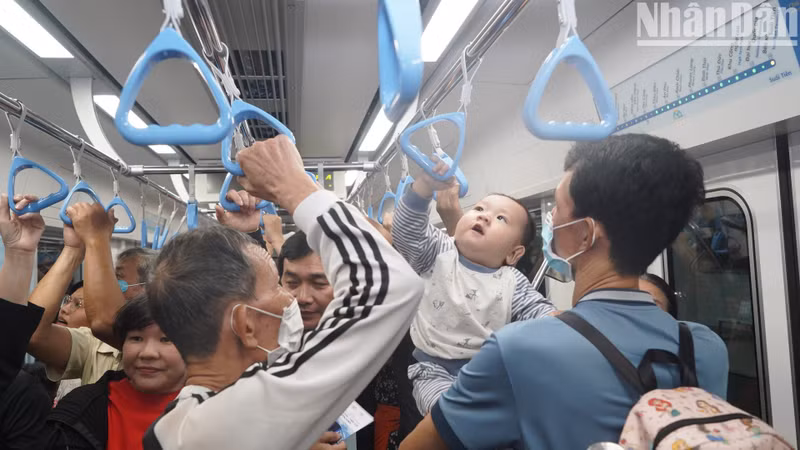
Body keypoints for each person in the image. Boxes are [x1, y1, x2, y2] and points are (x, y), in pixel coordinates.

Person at [399, 134, 729, 450]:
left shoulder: (518, 349)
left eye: (556, 208)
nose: (551, 219)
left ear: (584, 235)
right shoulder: (705, 348)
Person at [143, 135, 424, 450]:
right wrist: (293, 186)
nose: (290, 298)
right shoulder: (235, 420)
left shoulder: (187, 420)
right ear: (246, 324)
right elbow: (391, 286)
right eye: (278, 285)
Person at [391, 161, 555, 415]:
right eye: (479, 208)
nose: (484, 215)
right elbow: (407, 231)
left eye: (501, 218)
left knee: (506, 414)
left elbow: (539, 312)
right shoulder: (439, 252)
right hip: (435, 369)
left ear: (514, 253)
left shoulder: (512, 280)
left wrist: (563, 324)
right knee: (446, 415)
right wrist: (423, 187)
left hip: (490, 370)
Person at [1, 293, 187, 449]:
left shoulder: (211, 407)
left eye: (165, 340)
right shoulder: (81, 410)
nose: (148, 353)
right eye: (136, 338)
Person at [27, 204, 156, 388]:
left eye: (117, 278)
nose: (108, 284)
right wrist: (73, 250)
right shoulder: (94, 345)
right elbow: (32, 332)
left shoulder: (173, 337)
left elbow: (107, 322)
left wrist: (97, 239)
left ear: (149, 289)